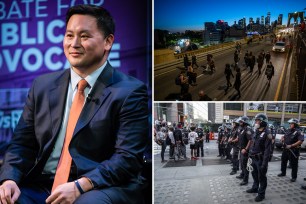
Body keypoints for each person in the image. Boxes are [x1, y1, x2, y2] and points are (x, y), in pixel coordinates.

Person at [0, 5, 148, 204]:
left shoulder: (130, 91)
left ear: (108, 42)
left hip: (100, 185)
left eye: (84, 36)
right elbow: (21, 144)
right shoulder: (42, 86)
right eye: (69, 35)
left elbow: (127, 158)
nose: (74, 43)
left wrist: (80, 185)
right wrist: (9, 178)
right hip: (43, 184)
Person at [246, 113, 272, 202]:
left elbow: (268, 150)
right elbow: (253, 144)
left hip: (261, 159)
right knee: (254, 175)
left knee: (262, 177)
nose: (256, 122)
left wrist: (264, 163)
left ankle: (261, 194)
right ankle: (255, 187)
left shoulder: (267, 133)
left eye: (258, 120)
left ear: (263, 122)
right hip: (253, 158)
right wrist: (249, 155)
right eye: (256, 120)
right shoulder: (256, 131)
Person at [236, 116, 253, 186]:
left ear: (245, 122)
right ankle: (242, 174)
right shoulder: (242, 129)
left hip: (245, 151)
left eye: (241, 121)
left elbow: (250, 140)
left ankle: (245, 180)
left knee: (245, 165)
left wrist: (246, 149)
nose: (240, 123)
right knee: (242, 164)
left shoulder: (248, 129)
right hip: (241, 149)